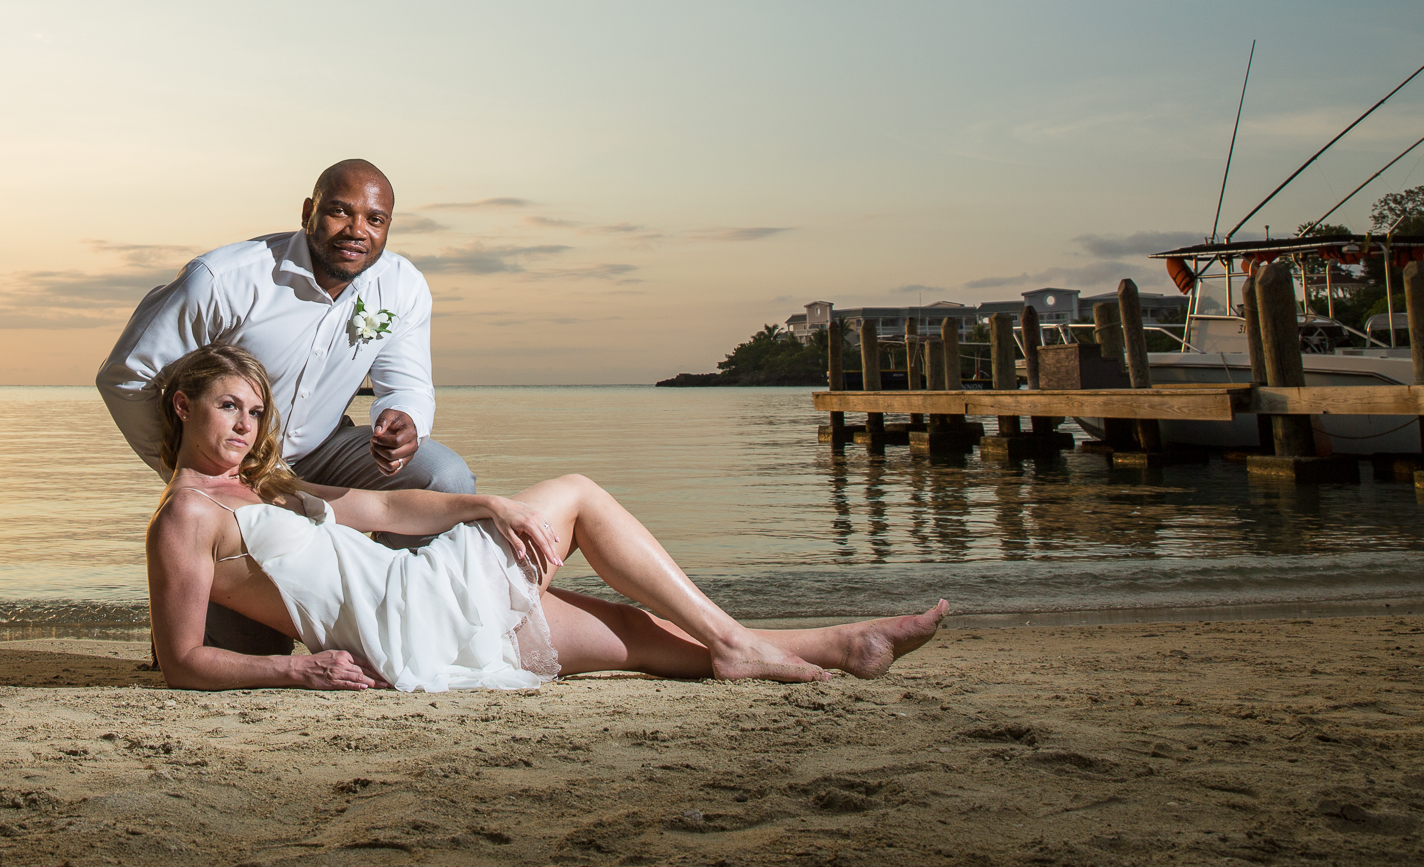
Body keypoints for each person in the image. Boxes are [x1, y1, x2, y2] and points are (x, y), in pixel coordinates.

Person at [145, 344, 948, 692]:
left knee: (633, 640)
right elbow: (182, 659)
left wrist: (486, 502)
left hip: (424, 605)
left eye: (255, 411)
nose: (245, 425)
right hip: (409, 618)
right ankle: (738, 640)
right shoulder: (186, 517)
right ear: (184, 406)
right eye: (228, 407)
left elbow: (386, 505)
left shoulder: (269, 488)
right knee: (578, 493)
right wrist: (292, 668)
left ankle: (847, 644)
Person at [99, 159, 468, 652]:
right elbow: (127, 376)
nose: (356, 231)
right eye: (340, 212)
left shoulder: (400, 286)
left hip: (326, 446)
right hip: (237, 468)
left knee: (441, 476)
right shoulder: (223, 279)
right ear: (308, 211)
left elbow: (408, 386)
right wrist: (201, 470)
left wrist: (403, 420)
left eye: (375, 220)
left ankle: (404, 628)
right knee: (249, 652)